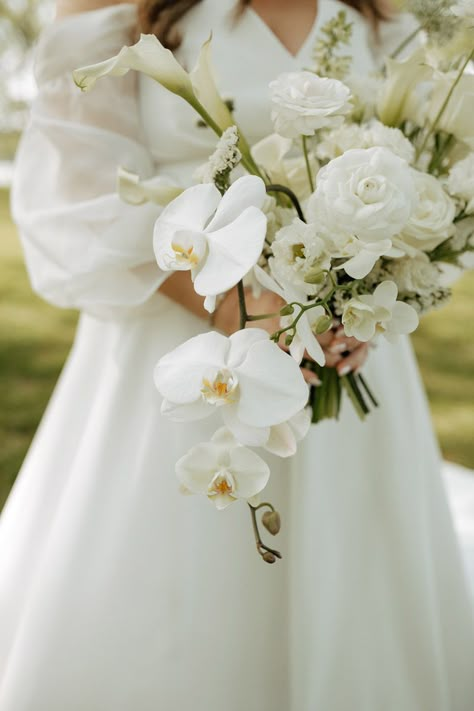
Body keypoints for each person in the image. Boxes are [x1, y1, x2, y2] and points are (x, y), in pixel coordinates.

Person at [0, 0, 473, 709]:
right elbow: (75, 194)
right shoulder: (116, 11)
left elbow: (439, 171)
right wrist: (230, 302)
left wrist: (374, 291)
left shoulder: (388, 18)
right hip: (183, 360)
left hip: (344, 363)